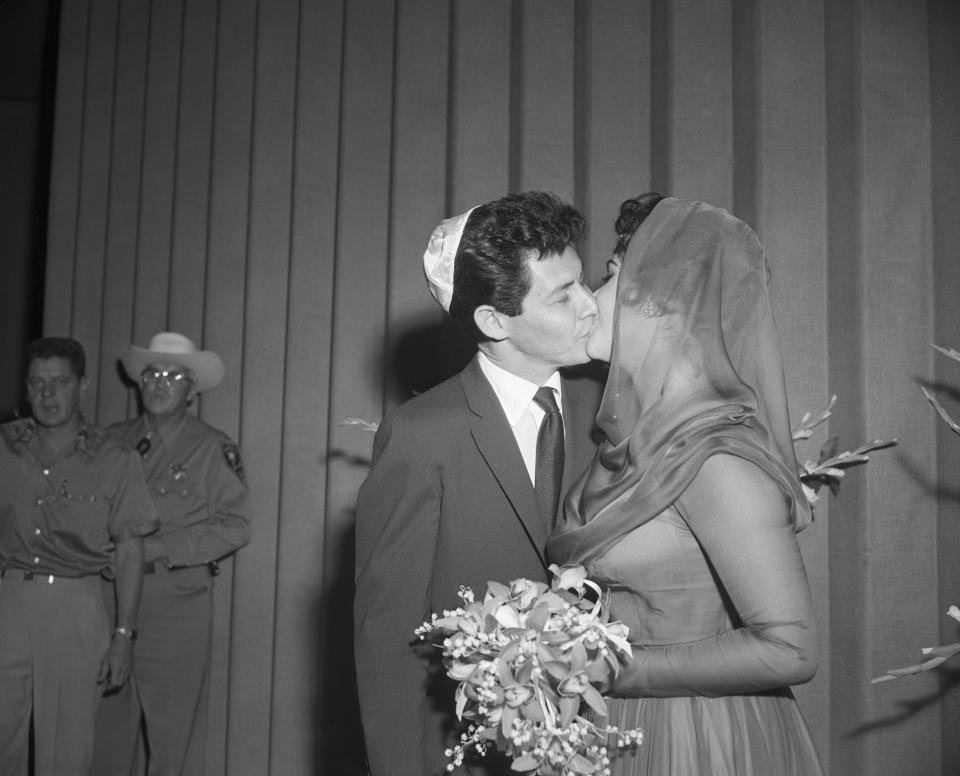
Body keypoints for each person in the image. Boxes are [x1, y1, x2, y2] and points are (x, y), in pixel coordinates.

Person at [547, 196, 824, 775]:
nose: (589, 302)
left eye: (609, 278)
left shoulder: (716, 457)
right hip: (612, 732)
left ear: (661, 302)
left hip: (700, 742)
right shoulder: (631, 440)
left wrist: (607, 669)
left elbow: (790, 649)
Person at [354, 191, 604, 776]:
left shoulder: (613, 411)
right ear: (493, 321)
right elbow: (388, 639)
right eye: (563, 295)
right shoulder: (421, 436)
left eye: (584, 283)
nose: (591, 306)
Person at [92, 332, 251, 776]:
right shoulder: (108, 443)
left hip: (174, 607)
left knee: (172, 739)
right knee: (104, 736)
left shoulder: (212, 448)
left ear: (192, 390)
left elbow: (235, 526)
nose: (159, 383)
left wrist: (156, 548)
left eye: (172, 375)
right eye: (151, 374)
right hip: (106, 602)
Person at [0, 337, 157, 776]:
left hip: (75, 608)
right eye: (37, 383)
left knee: (64, 752)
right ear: (26, 389)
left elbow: (130, 548)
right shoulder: (3, 446)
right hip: (7, 601)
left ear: (82, 387)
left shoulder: (115, 458)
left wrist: (124, 635)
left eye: (60, 383)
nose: (48, 394)